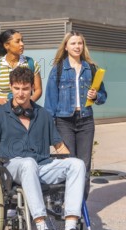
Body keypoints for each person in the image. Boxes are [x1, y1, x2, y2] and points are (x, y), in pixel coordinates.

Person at [0, 66, 94, 230]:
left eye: (25, 88)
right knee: (28, 162)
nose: (21, 93)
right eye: (16, 88)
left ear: (32, 89)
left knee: (77, 164)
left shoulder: (44, 115)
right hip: (9, 168)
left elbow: (60, 147)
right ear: (11, 88)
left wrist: (69, 165)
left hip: (41, 167)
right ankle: (43, 229)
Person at [44, 31, 107, 200]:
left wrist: (96, 96)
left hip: (86, 121)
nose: (77, 46)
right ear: (66, 46)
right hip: (64, 122)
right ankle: (67, 201)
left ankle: (80, 206)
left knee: (84, 165)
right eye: (73, 43)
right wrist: (49, 130)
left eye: (80, 43)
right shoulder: (57, 70)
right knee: (69, 163)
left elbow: (103, 96)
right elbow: (50, 103)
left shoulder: (91, 69)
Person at [0, 29, 42, 105]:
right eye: (17, 41)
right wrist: (1, 101)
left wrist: (29, 102)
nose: (22, 44)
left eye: (22, 40)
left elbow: (38, 90)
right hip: (4, 112)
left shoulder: (31, 64)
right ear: (6, 45)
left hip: (26, 111)